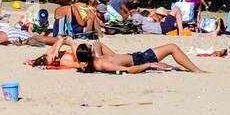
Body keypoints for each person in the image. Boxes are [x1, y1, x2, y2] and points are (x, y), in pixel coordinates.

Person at [74, 40, 205, 73]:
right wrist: (149, 65)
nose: (92, 47)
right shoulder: (102, 64)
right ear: (88, 56)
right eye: (90, 49)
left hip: (136, 56)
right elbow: (128, 70)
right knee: (172, 47)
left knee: (174, 68)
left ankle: (184, 68)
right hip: (141, 59)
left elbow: (98, 43)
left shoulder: (97, 58)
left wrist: (114, 56)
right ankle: (197, 70)